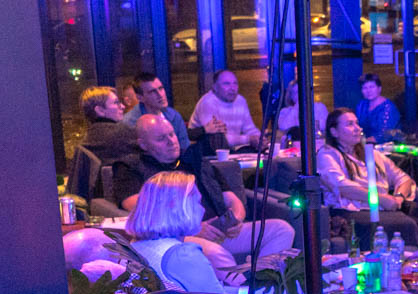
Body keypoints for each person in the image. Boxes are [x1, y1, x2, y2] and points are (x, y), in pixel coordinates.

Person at [113, 114, 294, 273]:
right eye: (161, 138)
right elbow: (137, 205)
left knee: (282, 229)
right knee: (215, 254)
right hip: (180, 236)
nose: (171, 141)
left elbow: (233, 200)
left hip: (222, 231)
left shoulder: (195, 160)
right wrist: (195, 227)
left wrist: (235, 220)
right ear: (143, 144)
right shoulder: (131, 167)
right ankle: (241, 292)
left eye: (172, 134)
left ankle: (260, 281)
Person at [317, 107, 418, 250]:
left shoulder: (371, 154)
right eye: (350, 124)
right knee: (405, 224)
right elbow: (342, 186)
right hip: (351, 210)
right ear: (334, 132)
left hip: (383, 206)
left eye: (357, 123)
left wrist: (399, 197)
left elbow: (403, 178)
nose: (357, 128)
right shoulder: (327, 154)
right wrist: (380, 199)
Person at [126, 171, 226, 293]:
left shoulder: (131, 248)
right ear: (178, 208)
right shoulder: (183, 255)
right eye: (198, 202)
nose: (203, 209)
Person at [189, 69, 261, 150]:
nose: (232, 88)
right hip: (207, 151)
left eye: (235, 83)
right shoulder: (207, 103)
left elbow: (249, 129)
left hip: (233, 150)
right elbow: (219, 140)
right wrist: (248, 139)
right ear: (215, 87)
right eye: (226, 84)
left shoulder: (241, 101)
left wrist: (259, 138)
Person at [123, 72, 190, 150]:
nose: (160, 95)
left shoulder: (174, 116)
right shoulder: (129, 123)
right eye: (152, 92)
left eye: (161, 88)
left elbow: (185, 149)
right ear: (140, 98)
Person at [78, 86, 138, 166]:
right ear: (100, 110)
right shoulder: (121, 132)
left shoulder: (87, 139)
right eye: (116, 103)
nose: (123, 106)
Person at [355, 74, 401, 142]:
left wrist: (359, 142)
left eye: (371, 87)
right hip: (363, 143)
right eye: (365, 88)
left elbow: (383, 136)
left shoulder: (388, 108)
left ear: (379, 88)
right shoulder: (361, 105)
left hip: (386, 145)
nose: (368, 91)